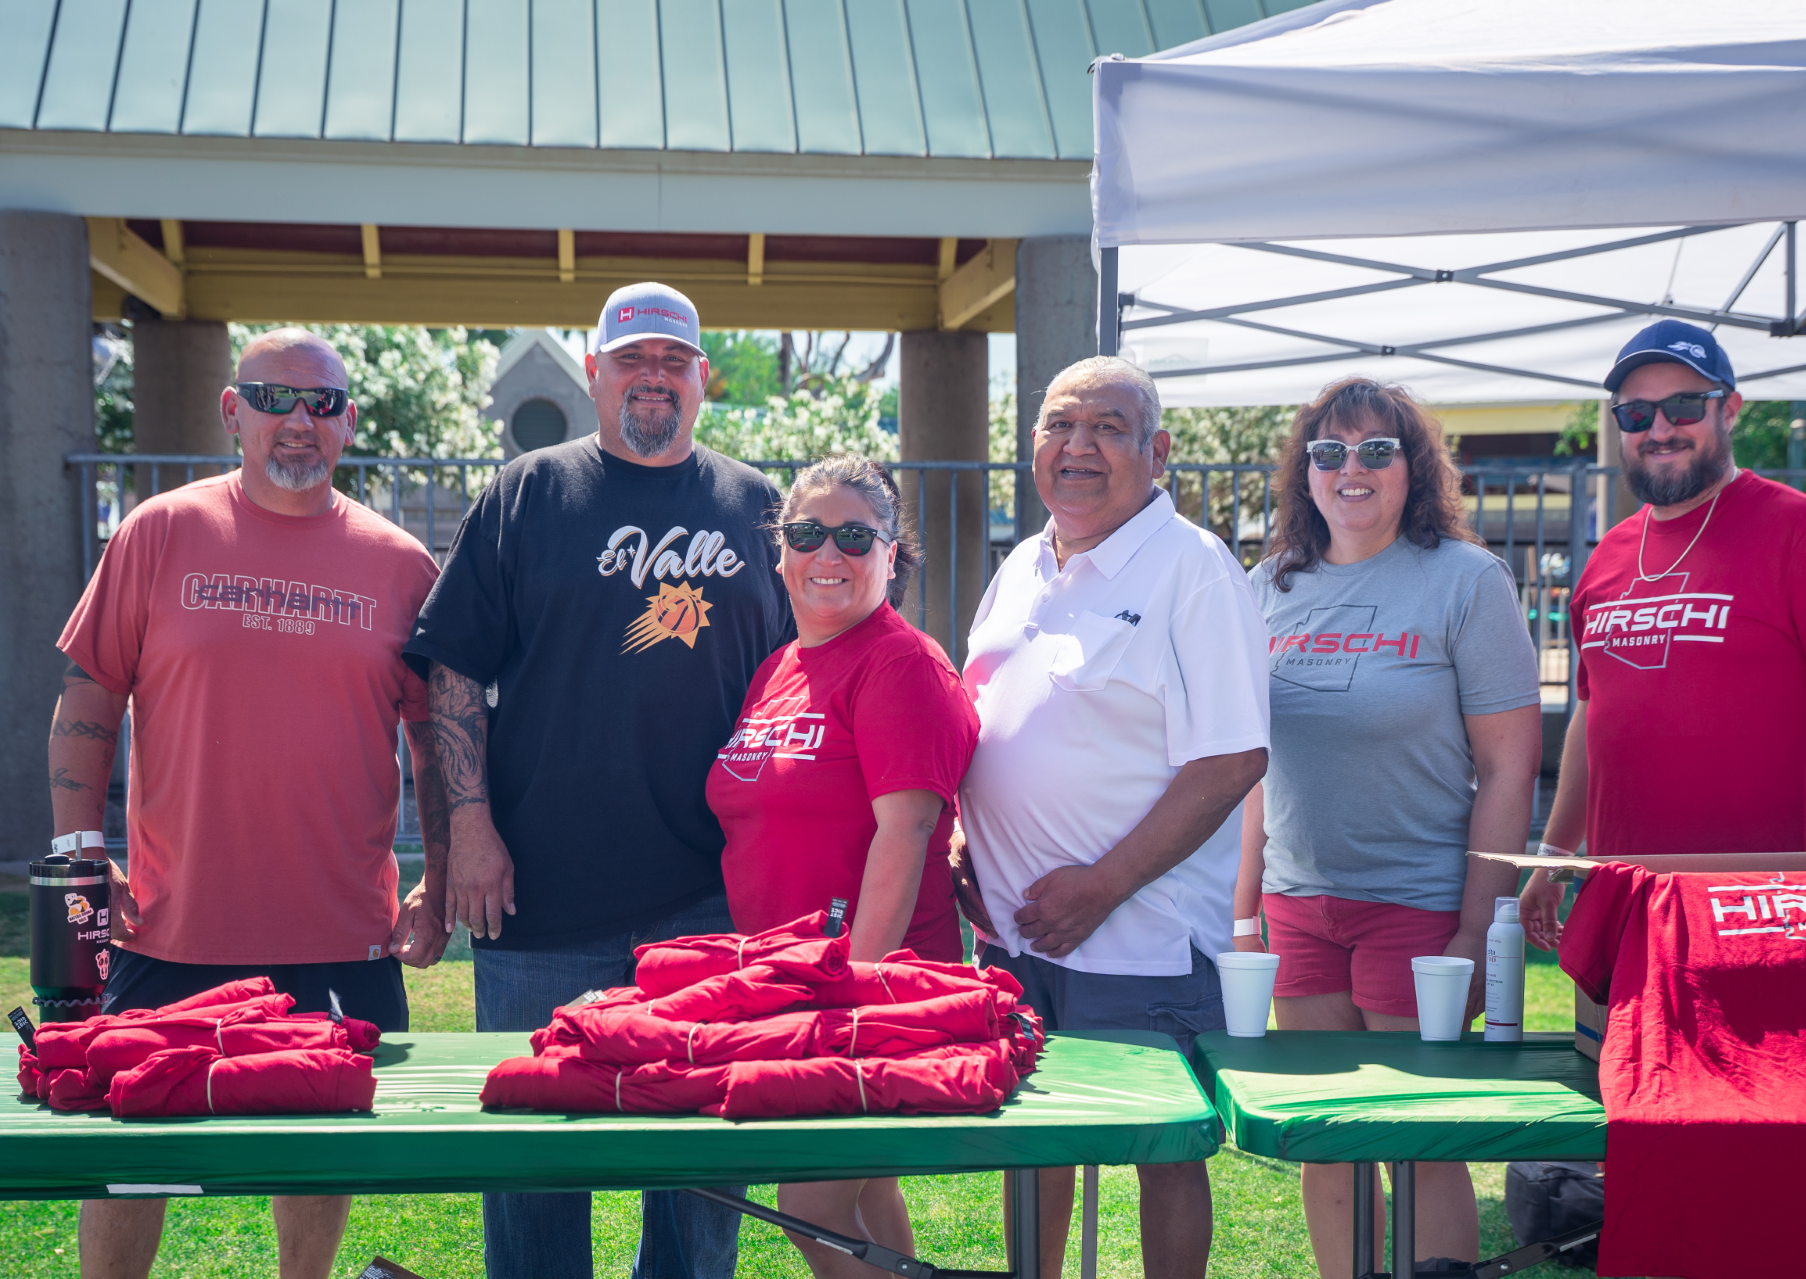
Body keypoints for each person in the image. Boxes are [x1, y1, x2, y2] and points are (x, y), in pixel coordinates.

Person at [404, 283, 793, 1279]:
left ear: (702, 377)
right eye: (632, 360)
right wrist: (472, 828)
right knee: (536, 1158)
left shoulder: (759, 509)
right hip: (542, 895)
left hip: (714, 900)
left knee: (704, 1169)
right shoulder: (526, 493)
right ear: (594, 373)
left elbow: (808, 679)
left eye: (672, 360)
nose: (652, 377)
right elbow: (451, 668)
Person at [51, 328, 451, 1279]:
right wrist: (78, 847)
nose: (298, 422)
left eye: (321, 403)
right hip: (165, 923)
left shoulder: (399, 564)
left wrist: (437, 875)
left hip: (337, 931)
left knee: (315, 1155)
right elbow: (88, 696)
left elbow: (437, 741)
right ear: (233, 410)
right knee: (127, 1161)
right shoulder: (158, 532)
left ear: (350, 422)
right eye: (274, 398)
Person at [952, 356, 1270, 1279]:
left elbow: (1231, 758)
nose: (1078, 446)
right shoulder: (1022, 564)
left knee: (1161, 1148)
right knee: (1035, 1140)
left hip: (1140, 940)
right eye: (1059, 424)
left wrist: (1104, 885)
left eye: (1108, 427)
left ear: (1157, 450)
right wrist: (970, 835)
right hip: (1016, 938)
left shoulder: (1195, 569)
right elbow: (987, 718)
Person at [1230, 377, 1541, 1277]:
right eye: (1329, 451)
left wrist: (1480, 925)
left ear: (1414, 467)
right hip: (1298, 909)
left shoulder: (1466, 580)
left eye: (1376, 450)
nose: (1351, 469)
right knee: (1330, 1138)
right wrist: (1246, 912)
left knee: (1420, 1138)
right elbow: (1249, 763)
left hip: (1420, 907)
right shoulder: (1266, 587)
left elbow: (1511, 766)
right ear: (1305, 472)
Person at [1521, 320, 1806, 948]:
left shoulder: (1803, 531)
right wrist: (1555, 857)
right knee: (1614, 1051)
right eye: (1638, 413)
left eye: (1684, 406)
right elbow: (1595, 718)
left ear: (1729, 409)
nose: (1660, 429)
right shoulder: (1609, 555)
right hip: (1627, 901)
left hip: (1758, 905)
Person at [707, 456, 979, 1279]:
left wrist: (850, 990)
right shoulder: (781, 667)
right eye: (807, 532)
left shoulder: (900, 664)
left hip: (870, 987)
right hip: (787, 981)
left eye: (855, 536)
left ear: (892, 556)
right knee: (862, 1196)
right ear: (780, 551)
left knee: (811, 1203)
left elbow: (904, 833)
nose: (829, 552)